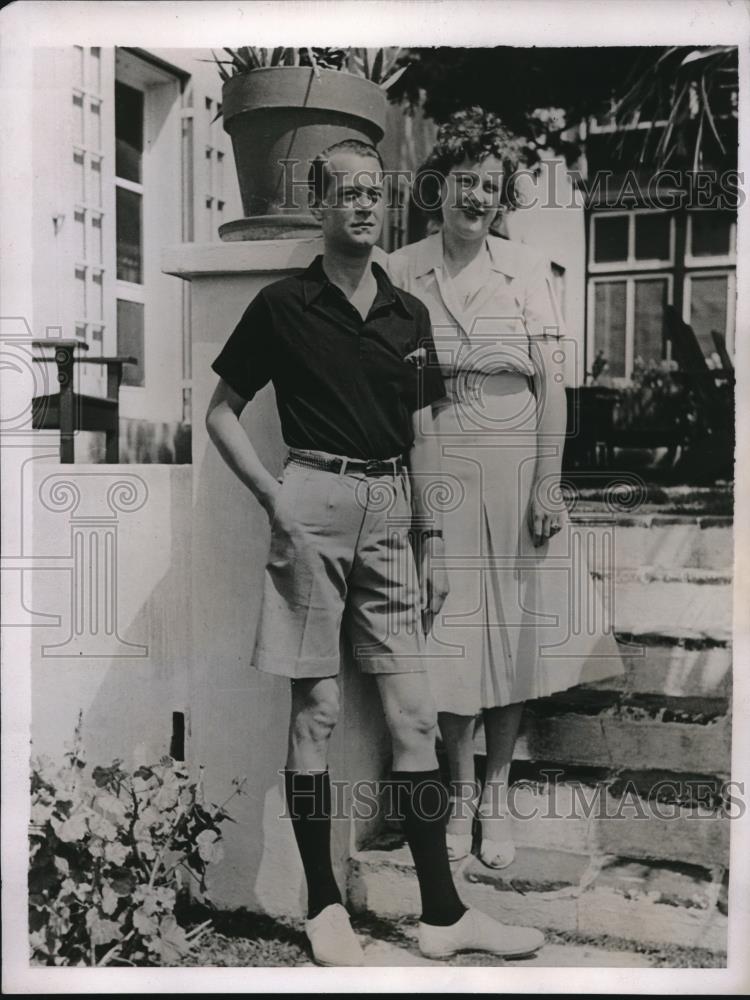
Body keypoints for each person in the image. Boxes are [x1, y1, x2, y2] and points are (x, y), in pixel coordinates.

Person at [205, 138, 545, 966]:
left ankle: (442, 914)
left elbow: (424, 429)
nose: (362, 205)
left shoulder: (407, 312)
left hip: (394, 509)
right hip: (312, 505)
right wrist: (273, 499)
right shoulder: (284, 305)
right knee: (316, 711)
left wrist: (431, 534)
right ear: (321, 207)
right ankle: (324, 907)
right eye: (346, 193)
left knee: (416, 715)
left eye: (373, 193)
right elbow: (220, 411)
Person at [388, 109, 624, 869]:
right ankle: (458, 795)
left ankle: (497, 792)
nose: (477, 197)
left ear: (501, 198)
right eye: (465, 182)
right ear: (440, 188)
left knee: (514, 637)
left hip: (516, 462)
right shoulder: (401, 269)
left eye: (490, 187)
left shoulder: (524, 270)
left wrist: (549, 484)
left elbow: (551, 385)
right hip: (439, 461)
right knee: (451, 636)